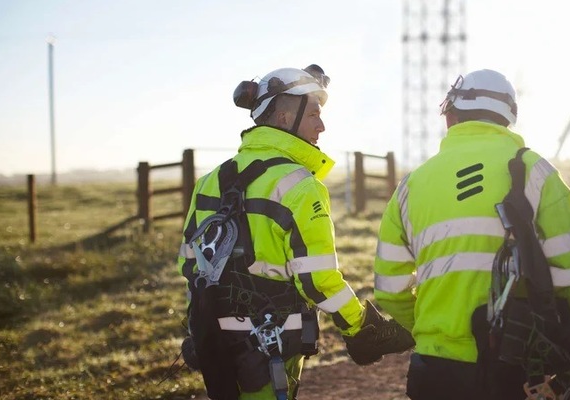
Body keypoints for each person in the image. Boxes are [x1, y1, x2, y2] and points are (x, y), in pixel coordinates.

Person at [177, 64, 413, 400]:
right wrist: (361, 328)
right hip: (269, 345)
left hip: (213, 341)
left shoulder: (208, 181)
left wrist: (197, 328)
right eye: (314, 114)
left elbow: (190, 265)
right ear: (285, 118)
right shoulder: (300, 185)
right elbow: (318, 279)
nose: (322, 126)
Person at [373, 69, 570, 399]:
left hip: (434, 367)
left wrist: (430, 331)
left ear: (450, 117)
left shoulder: (411, 185)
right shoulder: (537, 173)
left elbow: (389, 288)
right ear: (508, 118)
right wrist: (551, 333)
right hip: (515, 364)